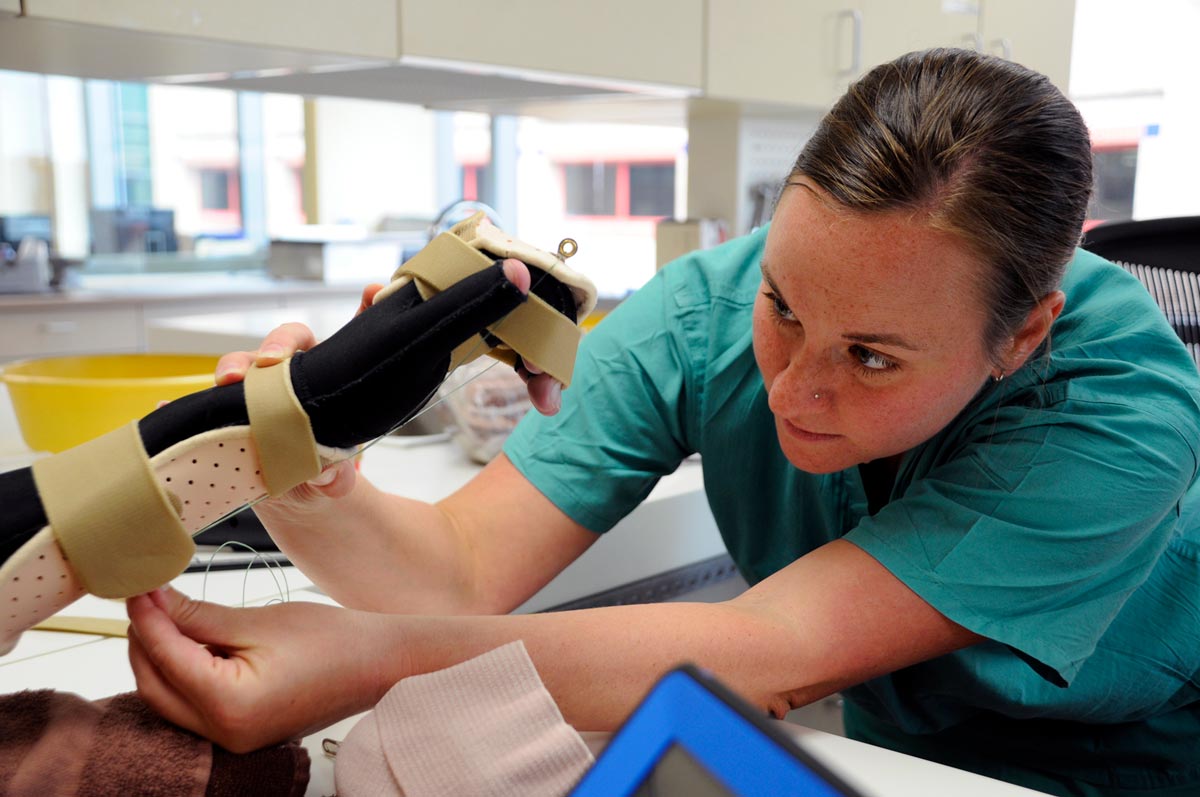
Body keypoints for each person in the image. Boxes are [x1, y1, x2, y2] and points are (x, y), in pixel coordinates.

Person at [125, 48, 1200, 796]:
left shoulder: (1121, 410)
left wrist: (363, 662)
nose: (792, 387)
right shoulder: (705, 307)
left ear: (1019, 338)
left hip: (1121, 761)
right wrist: (311, 477)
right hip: (888, 746)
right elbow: (453, 573)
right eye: (783, 305)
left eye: (871, 356)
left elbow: (772, 648)